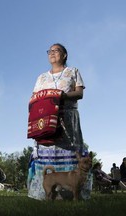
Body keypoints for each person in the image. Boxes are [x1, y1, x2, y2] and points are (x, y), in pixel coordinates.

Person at [27, 43, 91, 200]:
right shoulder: (41, 77)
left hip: (67, 118)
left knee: (70, 150)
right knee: (46, 148)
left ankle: (71, 194)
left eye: (56, 50)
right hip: (46, 119)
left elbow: (79, 93)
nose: (52, 53)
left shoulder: (72, 71)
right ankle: (46, 194)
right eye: (50, 51)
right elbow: (34, 97)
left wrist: (62, 96)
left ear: (64, 55)